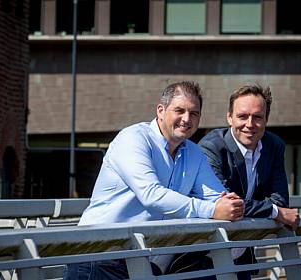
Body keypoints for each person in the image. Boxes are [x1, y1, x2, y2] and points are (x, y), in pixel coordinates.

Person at [64, 81, 245, 280]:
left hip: (141, 261)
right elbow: (151, 194)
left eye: (194, 113)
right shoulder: (133, 139)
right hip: (97, 257)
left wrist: (229, 204)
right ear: (161, 110)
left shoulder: (194, 153)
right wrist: (212, 210)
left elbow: (216, 197)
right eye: (179, 110)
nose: (186, 119)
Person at [198, 84, 300, 279]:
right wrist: (275, 212)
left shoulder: (274, 145)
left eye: (257, 117)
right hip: (204, 254)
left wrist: (277, 208)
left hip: (242, 252)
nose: (250, 124)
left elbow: (280, 199)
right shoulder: (211, 147)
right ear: (229, 117)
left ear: (266, 120)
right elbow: (226, 204)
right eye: (242, 116)